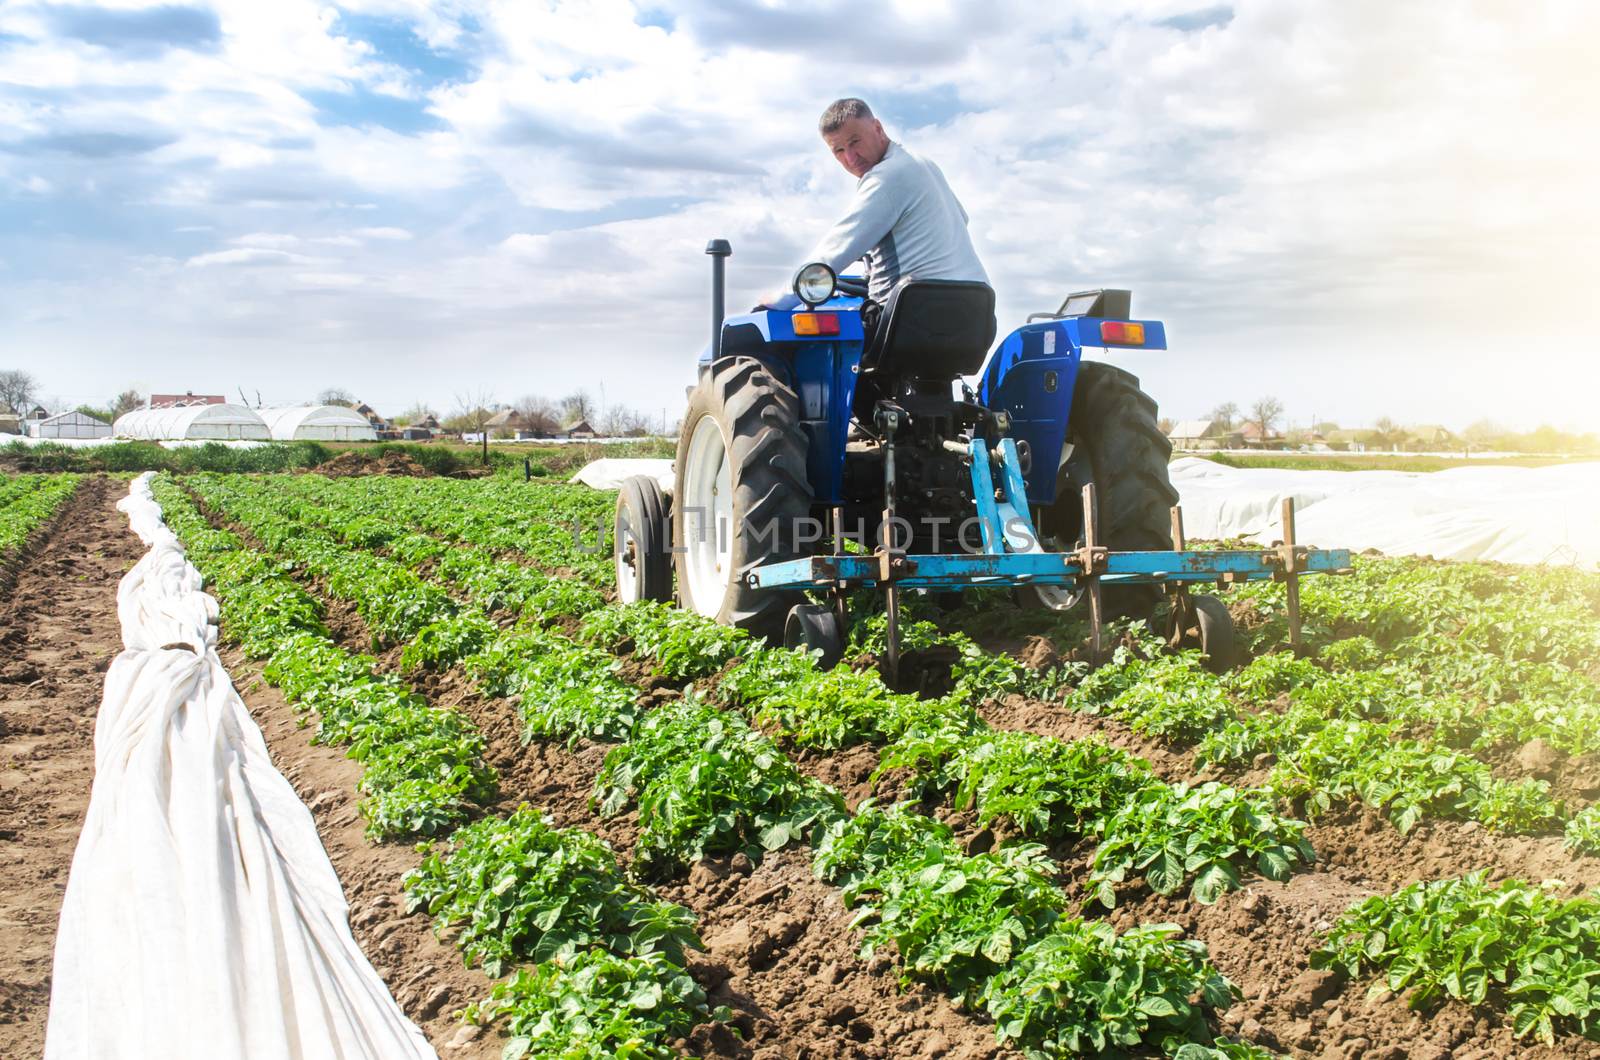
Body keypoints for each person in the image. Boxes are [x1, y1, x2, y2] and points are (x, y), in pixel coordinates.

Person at [760, 98, 990, 325]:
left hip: (914, 321)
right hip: (976, 317)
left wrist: (780, 299)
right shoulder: (923, 165)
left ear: (878, 128)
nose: (850, 157)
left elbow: (836, 249)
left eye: (855, 142)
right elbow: (961, 219)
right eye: (839, 150)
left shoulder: (885, 177)